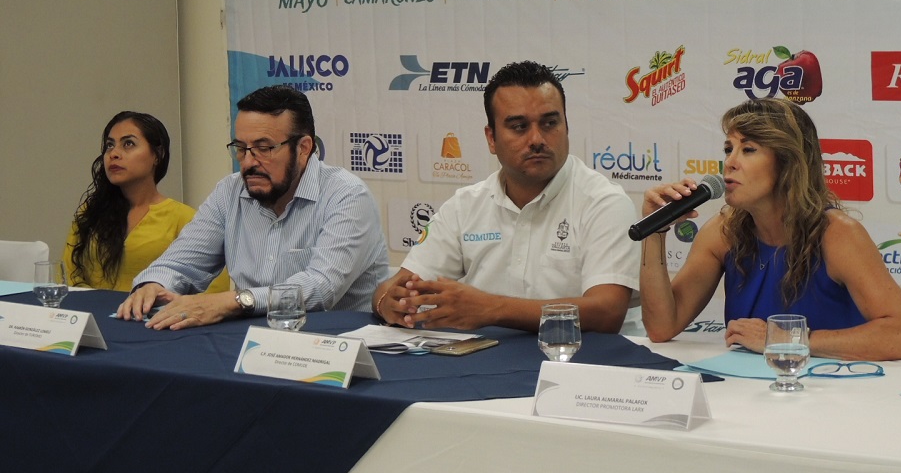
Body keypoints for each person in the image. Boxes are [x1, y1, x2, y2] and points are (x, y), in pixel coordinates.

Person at [639, 97, 901, 360]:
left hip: (832, 388)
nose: (730, 162)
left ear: (788, 163)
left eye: (748, 149)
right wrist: (655, 229)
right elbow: (662, 327)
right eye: (728, 149)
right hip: (747, 388)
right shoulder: (723, 232)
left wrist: (787, 339)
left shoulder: (838, 234)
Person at [372, 60, 639, 334]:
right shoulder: (465, 205)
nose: (537, 139)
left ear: (567, 127)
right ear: (491, 138)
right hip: (490, 355)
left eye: (550, 123)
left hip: (582, 356)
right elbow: (395, 287)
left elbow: (607, 313)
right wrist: (388, 303)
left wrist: (491, 309)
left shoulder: (604, 202)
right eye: (519, 126)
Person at [117, 85, 388, 329]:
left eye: (264, 148)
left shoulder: (347, 195)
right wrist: (153, 285)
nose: (248, 163)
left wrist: (234, 301)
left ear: (304, 148)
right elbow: (180, 263)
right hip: (253, 343)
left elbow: (321, 288)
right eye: (241, 148)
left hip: (338, 345)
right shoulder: (230, 191)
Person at [64, 111, 230, 294]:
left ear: (157, 155)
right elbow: (69, 274)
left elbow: (213, 289)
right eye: (109, 145)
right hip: (87, 309)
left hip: (156, 311)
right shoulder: (90, 213)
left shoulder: (186, 219)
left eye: (128, 144)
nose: (114, 153)